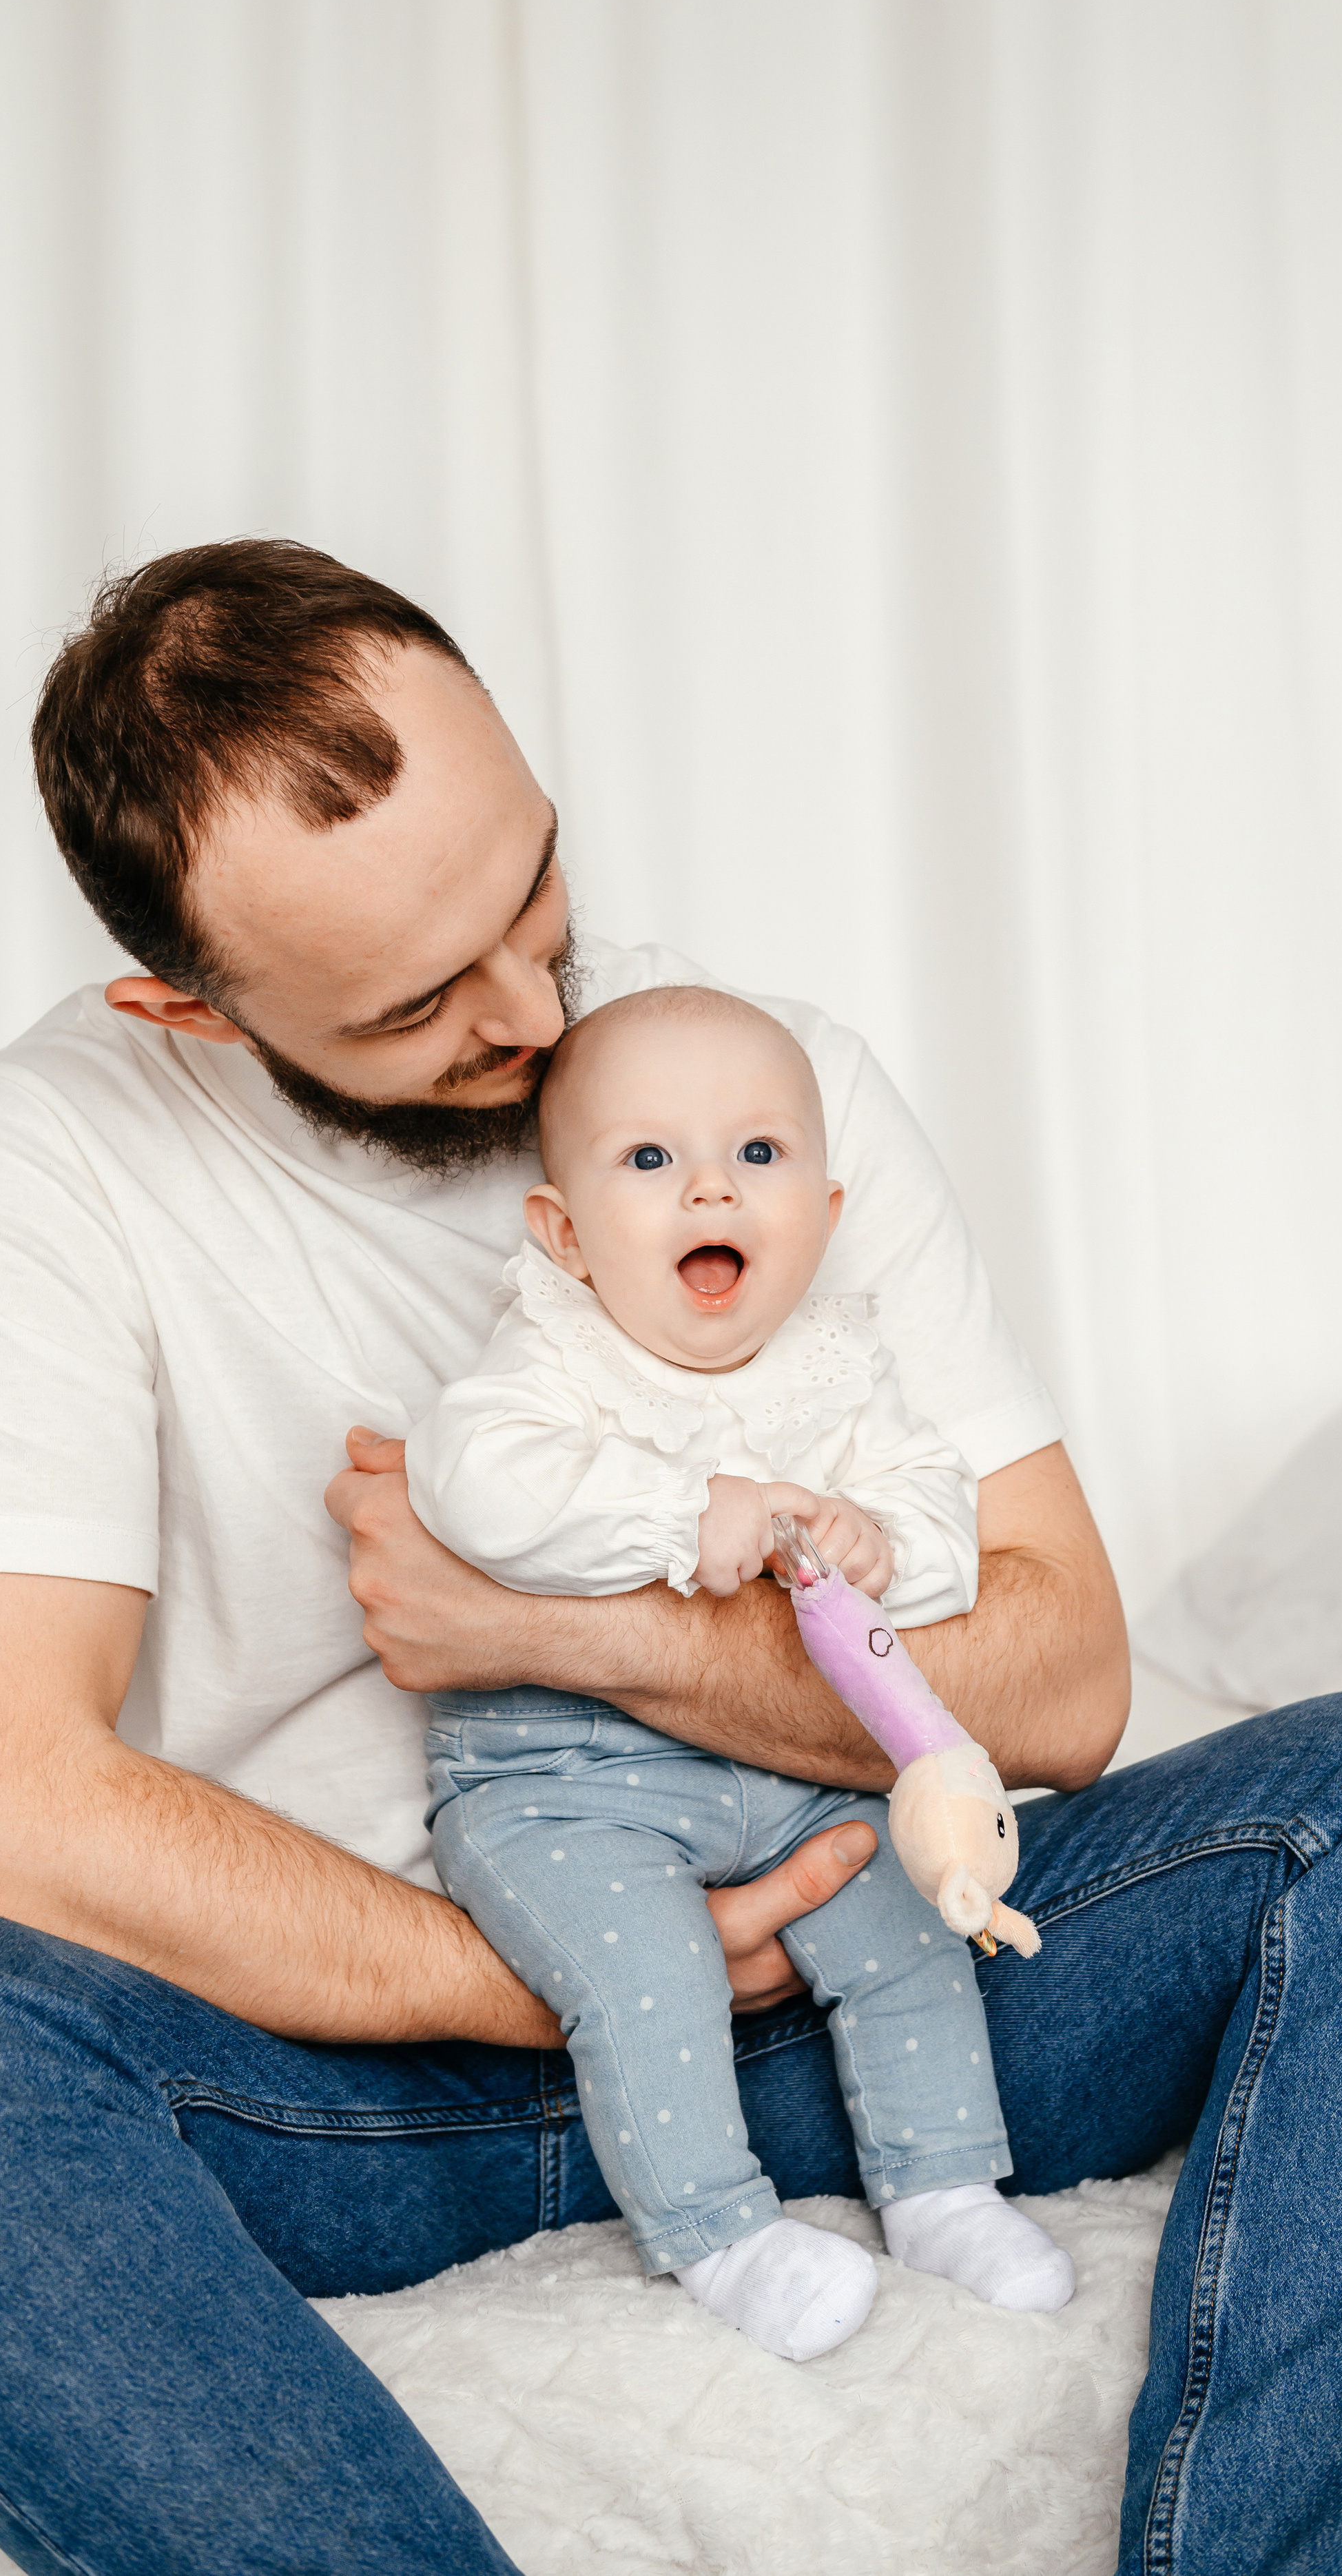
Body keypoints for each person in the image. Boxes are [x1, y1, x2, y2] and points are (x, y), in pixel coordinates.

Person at [0, 540, 1342, 2576]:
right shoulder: (37, 1165)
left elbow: (1064, 1681)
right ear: (190, 1009)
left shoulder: (753, 1086)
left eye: (532, 891)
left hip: (856, 1969)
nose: (531, 1012)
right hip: (361, 2077)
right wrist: (564, 1983)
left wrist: (574, 1633)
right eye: (417, 1003)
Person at [407, 983, 1076, 2357]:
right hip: (560, 1779)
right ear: (565, 1233)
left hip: (785, 1760)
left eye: (757, 1154)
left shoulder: (840, 1368)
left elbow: (944, 1522)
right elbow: (473, 1485)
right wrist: (683, 1514)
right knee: (645, 1968)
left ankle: (943, 2188)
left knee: (910, 1919)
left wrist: (883, 1541)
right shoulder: (554, 1351)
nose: (710, 1186)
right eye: (650, 1158)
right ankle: (717, 2233)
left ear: (822, 1217)